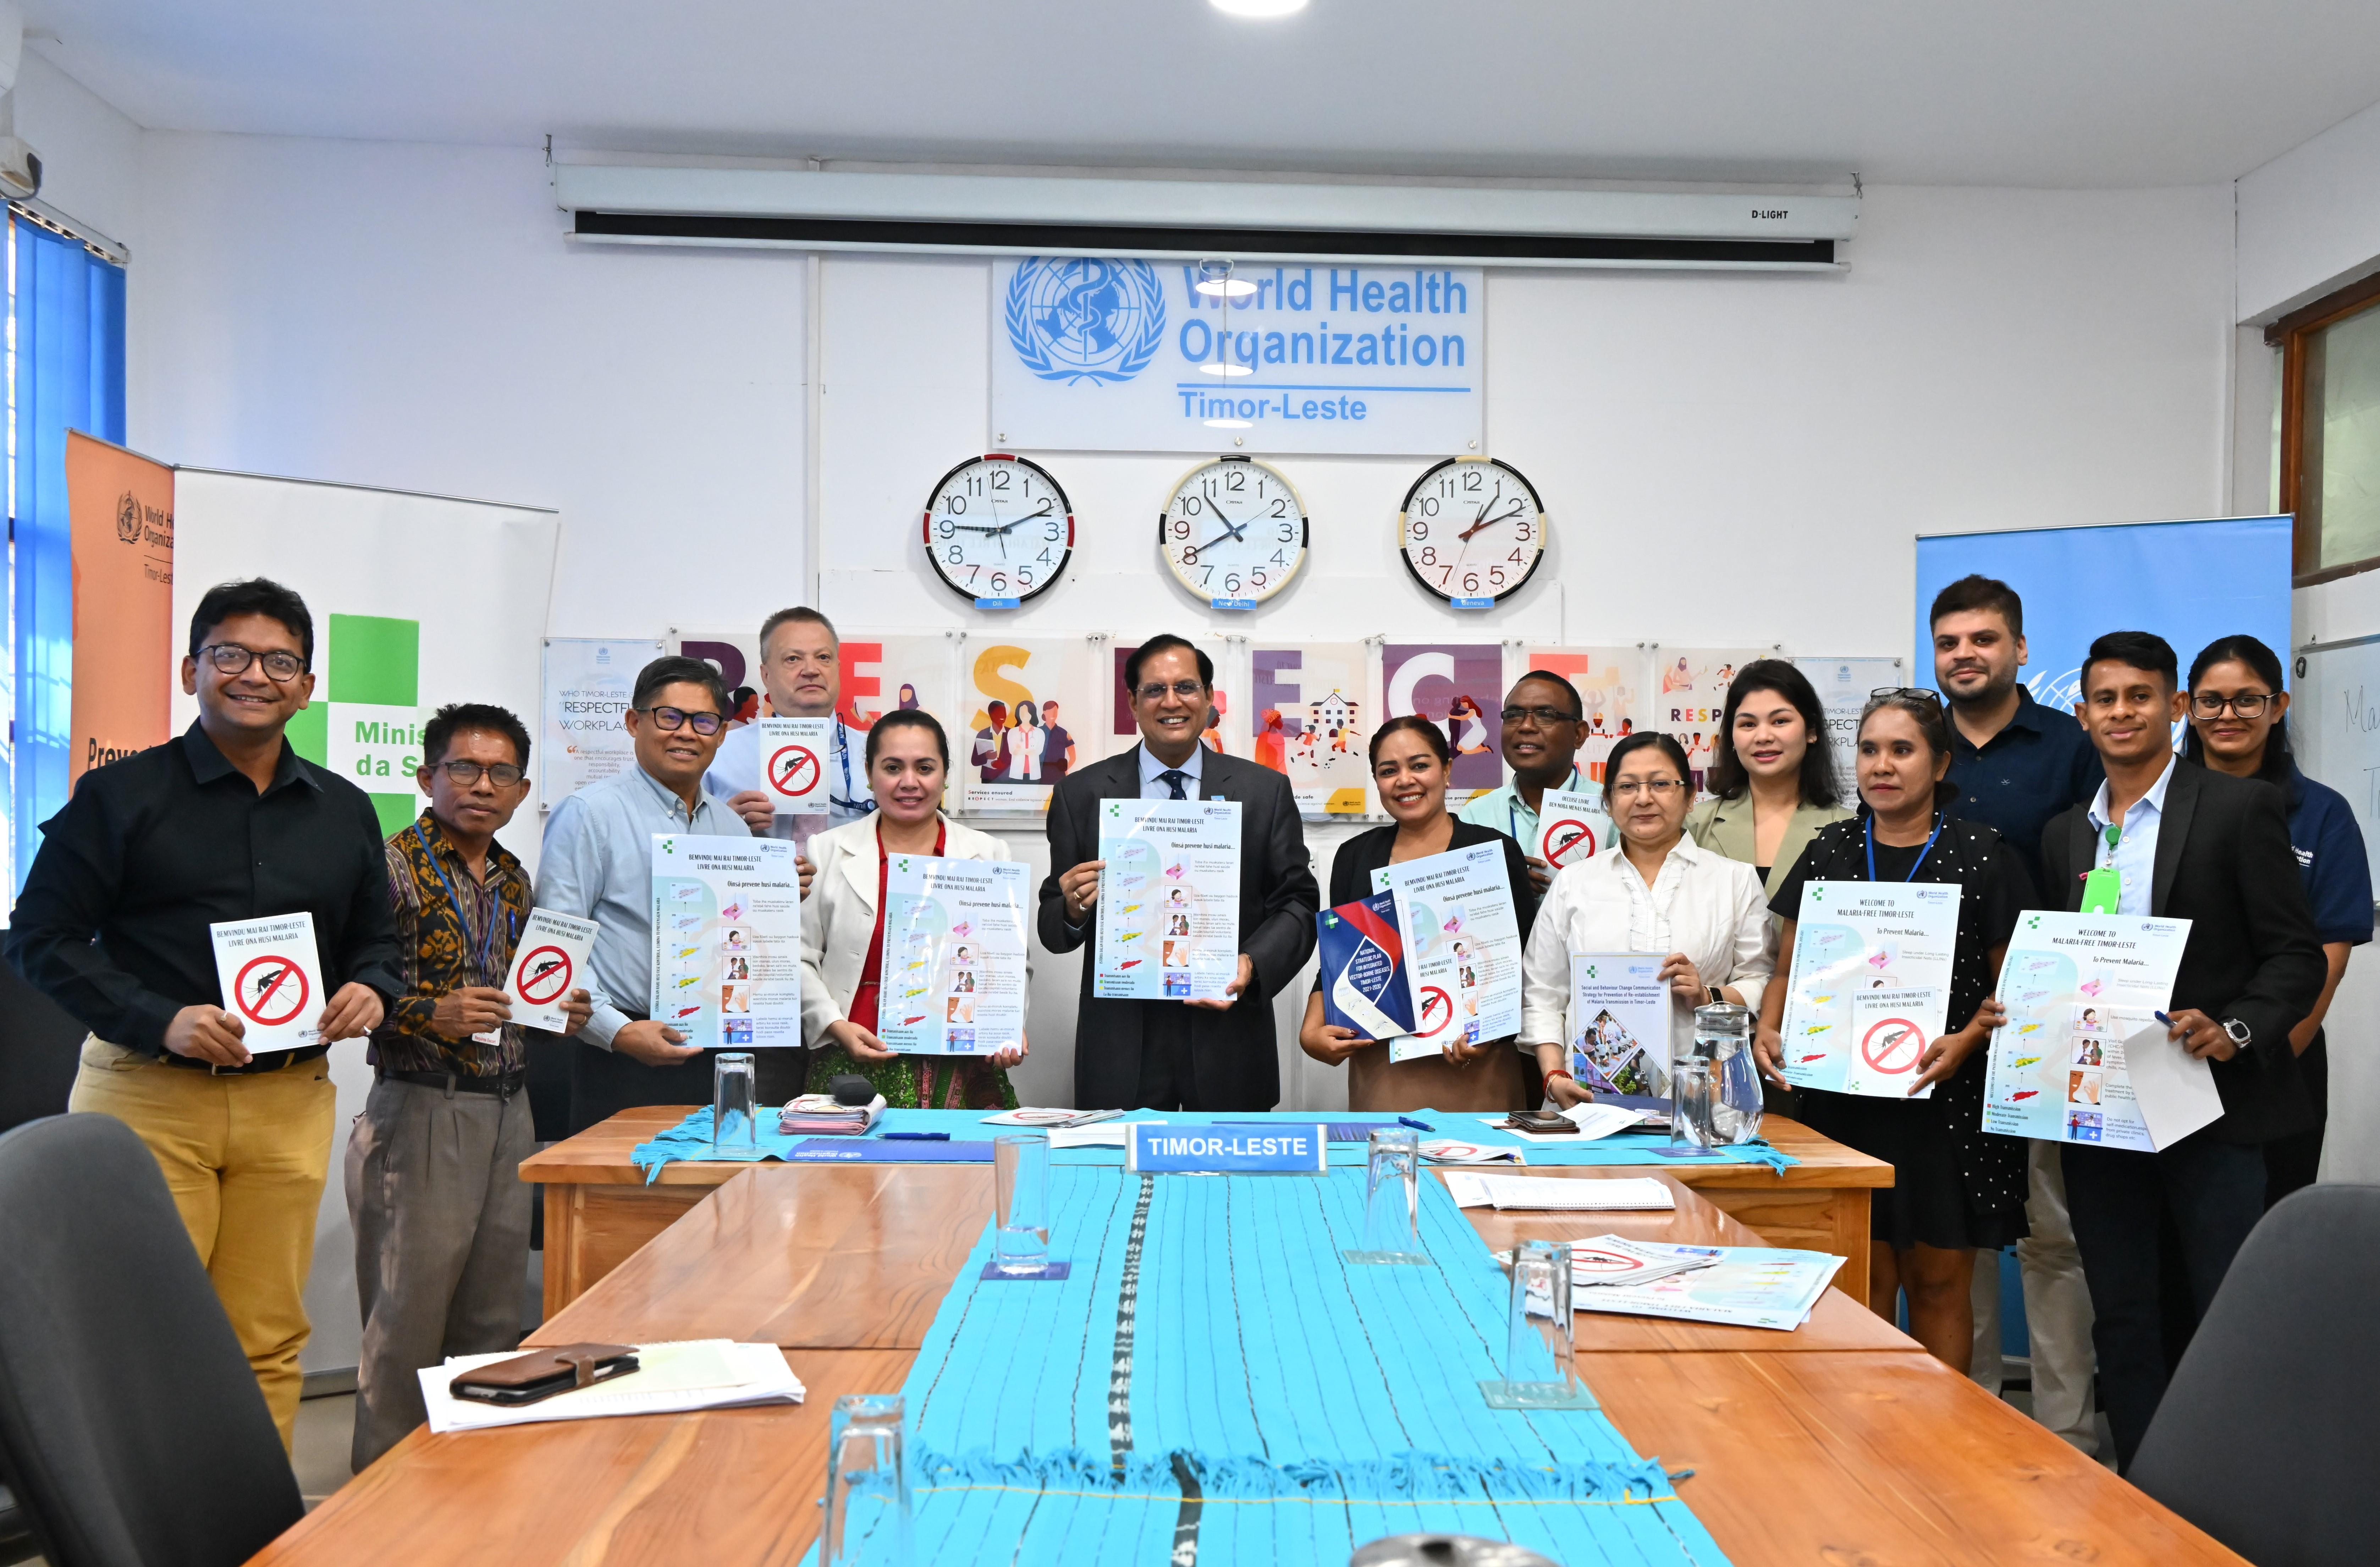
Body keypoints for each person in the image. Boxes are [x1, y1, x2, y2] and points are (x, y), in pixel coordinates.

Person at [5, 577, 400, 1450]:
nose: (255, 674)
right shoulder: (119, 796)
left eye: (280, 662)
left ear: (306, 686)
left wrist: (373, 986)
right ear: (192, 670)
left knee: (267, 1335)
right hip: (149, 1094)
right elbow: (39, 938)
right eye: (231, 654)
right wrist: (159, 1017)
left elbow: (378, 941)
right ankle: (137, 1520)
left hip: (288, 1102)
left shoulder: (344, 808)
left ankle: (255, 1516)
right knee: (138, 1333)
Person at [2040, 632, 2324, 1467]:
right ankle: (2143, 1484)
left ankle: (2235, 1488)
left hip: (2210, 1103)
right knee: (2123, 1313)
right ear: (2082, 714)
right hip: (2101, 1110)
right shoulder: (2066, 833)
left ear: (2173, 707)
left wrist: (2234, 1030)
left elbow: (2296, 957)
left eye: (2140, 696)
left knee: (2224, 1307)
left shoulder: (2239, 808)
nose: (2121, 712)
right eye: (2104, 699)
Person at [1752, 690, 2032, 1373]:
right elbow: (1786, 969)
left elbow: (2014, 992)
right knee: (1860, 1287)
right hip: (1842, 1103)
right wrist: (1767, 1028)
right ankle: (1860, 1428)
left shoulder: (1983, 854)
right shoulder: (1828, 850)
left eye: (1901, 750)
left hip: (1945, 1104)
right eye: (1869, 750)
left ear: (1939, 764)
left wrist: (1967, 1040)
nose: (1881, 765)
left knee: (1937, 1286)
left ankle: (1942, 1428)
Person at [347, 702, 592, 1470]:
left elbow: (521, 996)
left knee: (492, 1316)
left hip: (510, 1108)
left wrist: (561, 1010)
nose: (483, 786)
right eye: (465, 768)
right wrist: (432, 1013)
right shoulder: (386, 868)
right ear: (428, 777)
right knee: (408, 1320)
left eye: (501, 773)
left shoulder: (516, 881)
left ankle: (472, 1484)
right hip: (424, 1105)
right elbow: (342, 992)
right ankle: (381, 1497)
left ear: (522, 790)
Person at [1928, 572, 2106, 1450]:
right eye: (1949, 642)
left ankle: (2067, 1432)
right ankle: (1970, 1417)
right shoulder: (1919, 742)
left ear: (2021, 650)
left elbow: (2102, 869)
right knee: (1954, 1233)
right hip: (1935, 1030)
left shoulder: (2072, 746)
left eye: (1983, 639)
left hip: (2043, 1016)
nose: (1965, 655)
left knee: (2051, 1232)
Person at [1041, 634, 1318, 1111]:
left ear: (1209, 698)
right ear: (1133, 703)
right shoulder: (1081, 795)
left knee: (1231, 1165)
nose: (1172, 702)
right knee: (1121, 1163)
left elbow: (1298, 902)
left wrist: (1251, 964)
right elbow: (1054, 927)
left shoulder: (1263, 791)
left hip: (1228, 1037)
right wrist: (1072, 908)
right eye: (1155, 690)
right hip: (1122, 1047)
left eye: (1186, 687)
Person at [539, 655, 804, 1132]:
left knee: (716, 1178)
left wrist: (779, 898)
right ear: (634, 722)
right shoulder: (589, 814)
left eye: (704, 721)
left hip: (719, 1050)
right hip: (622, 1054)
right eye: (670, 717)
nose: (686, 733)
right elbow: (557, 946)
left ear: (721, 734)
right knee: (622, 1182)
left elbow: (738, 935)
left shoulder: (732, 827)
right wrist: (617, 1032)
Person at [2182, 633, 2371, 1204]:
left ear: (2278, 706)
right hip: (2174, 1058)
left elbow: (2328, 960)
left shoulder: (2323, 814)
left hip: (2279, 1062)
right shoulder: (2157, 808)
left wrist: (2262, 1060)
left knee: (2270, 1232)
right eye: (2211, 701)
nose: (2228, 715)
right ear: (2187, 708)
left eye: (2247, 700)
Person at [1299, 716, 1540, 1112]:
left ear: (1447, 770)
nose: (1405, 780)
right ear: (1376, 781)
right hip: (1386, 1072)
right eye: (1388, 771)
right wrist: (1313, 1029)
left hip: (1478, 1069)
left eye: (1420, 765)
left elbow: (1526, 963)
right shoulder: (1355, 857)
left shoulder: (1494, 851)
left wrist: (1491, 1034)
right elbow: (1341, 958)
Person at [1520, 732, 1773, 1108]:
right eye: (1627, 787)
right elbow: (1542, 993)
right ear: (1608, 802)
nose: (1643, 798)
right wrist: (1554, 1075)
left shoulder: (1734, 880)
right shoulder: (1574, 883)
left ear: (1691, 797)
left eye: (1660, 784)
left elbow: (1761, 980)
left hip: (1703, 1102)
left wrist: (1708, 997)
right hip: (1586, 1104)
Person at [801, 710, 1024, 1109]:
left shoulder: (989, 853)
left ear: (945, 775)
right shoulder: (827, 850)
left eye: (925, 768)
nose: (909, 782)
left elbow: (1010, 961)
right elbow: (799, 956)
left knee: (967, 1153)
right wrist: (835, 1026)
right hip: (853, 1057)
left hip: (961, 1063)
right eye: (892, 768)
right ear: (869, 774)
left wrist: (1007, 1025)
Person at [1688, 660, 1852, 903]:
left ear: (1811, 731)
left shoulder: (1847, 830)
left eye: (1780, 721)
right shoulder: (1695, 825)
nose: (1763, 736)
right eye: (1748, 724)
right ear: (1732, 738)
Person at [708, 606, 874, 843]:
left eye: (823, 658)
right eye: (793, 659)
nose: (811, 670)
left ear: (838, 669)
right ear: (766, 675)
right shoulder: (718, 754)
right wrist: (721, 825)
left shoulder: (876, 755)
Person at [1459, 670, 1590, 896]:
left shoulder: (1610, 810)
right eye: (1513, 715)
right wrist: (1496, 885)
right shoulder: (1474, 817)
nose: (1526, 726)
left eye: (1546, 715)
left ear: (1579, 734)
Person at [1040, 699, 1075, 779]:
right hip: (1041, 774)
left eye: (1055, 712)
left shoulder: (1064, 734)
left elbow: (1073, 757)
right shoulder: (1037, 732)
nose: (1053, 714)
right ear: (1044, 712)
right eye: (1050, 711)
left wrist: (1065, 769)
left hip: (1059, 775)